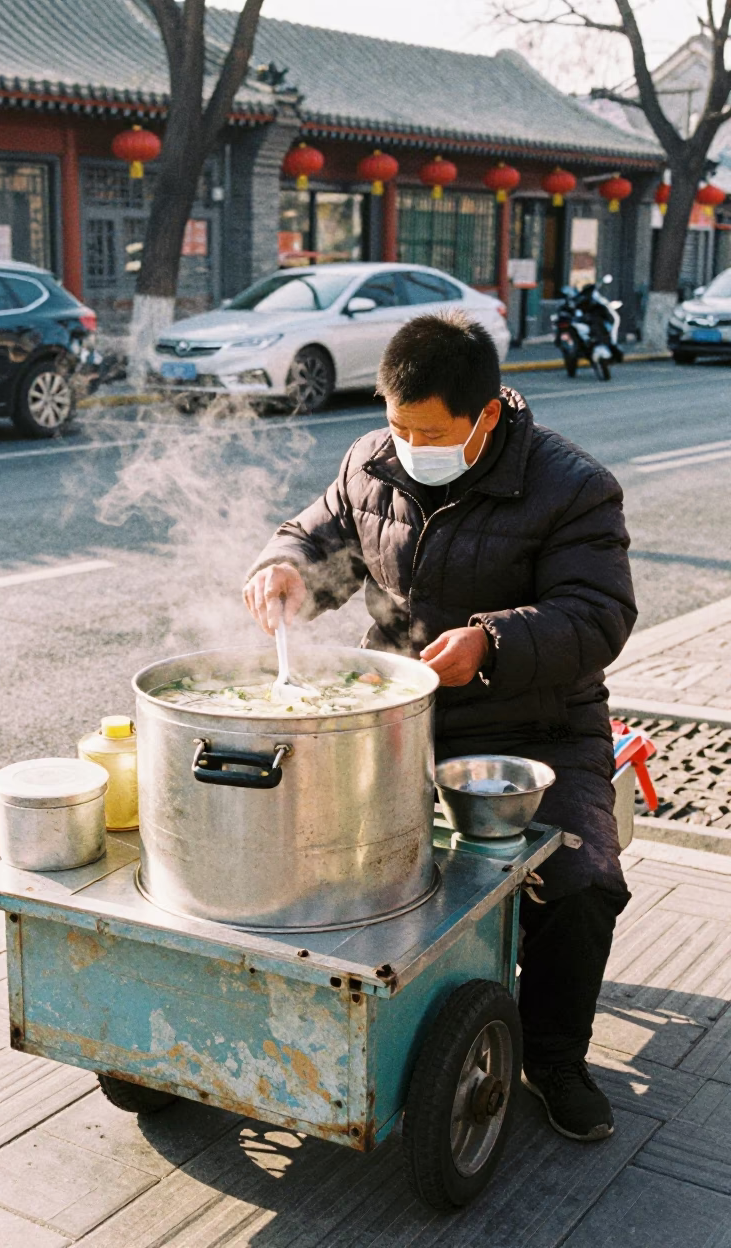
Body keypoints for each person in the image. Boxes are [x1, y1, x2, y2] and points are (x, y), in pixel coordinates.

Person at [243, 311, 636, 1143]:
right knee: (301, 849)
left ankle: (556, 1056)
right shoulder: (372, 459)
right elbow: (320, 538)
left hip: (535, 727)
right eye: (396, 422)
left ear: (486, 415)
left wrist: (494, 642)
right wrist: (282, 570)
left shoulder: (573, 486)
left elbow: (597, 616)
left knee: (579, 884)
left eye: (427, 430)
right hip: (395, 720)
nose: (406, 442)